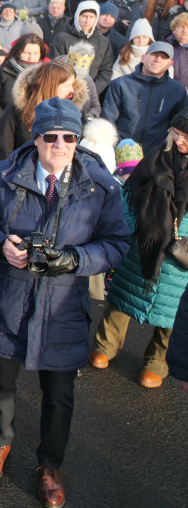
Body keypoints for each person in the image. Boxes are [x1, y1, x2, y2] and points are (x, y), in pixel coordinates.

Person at [0, 98, 130, 507]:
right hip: (9, 296)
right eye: (50, 136)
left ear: (78, 139)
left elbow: (117, 244)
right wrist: (1, 245)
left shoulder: (101, 185)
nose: (59, 144)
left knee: (59, 395)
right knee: (1, 380)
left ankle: (50, 464)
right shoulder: (2, 175)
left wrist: (76, 260)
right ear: (35, 138)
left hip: (63, 306)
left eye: (68, 136)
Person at [89, 115, 188, 388]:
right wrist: (131, 230)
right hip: (143, 240)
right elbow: (129, 196)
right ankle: (105, 345)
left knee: (174, 310)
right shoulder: (157, 157)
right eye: (176, 133)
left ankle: (157, 362)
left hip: (181, 253)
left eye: (186, 137)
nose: (179, 140)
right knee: (123, 294)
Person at [0, 61, 84, 164]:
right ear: (52, 86)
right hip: (20, 174)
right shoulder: (18, 110)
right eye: (67, 85)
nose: (72, 90)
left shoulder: (72, 114)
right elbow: (2, 150)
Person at [102, 41, 188, 152]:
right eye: (154, 55)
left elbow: (180, 127)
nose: (158, 60)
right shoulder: (120, 84)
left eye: (164, 57)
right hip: (123, 151)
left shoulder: (177, 90)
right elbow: (108, 120)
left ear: (170, 64)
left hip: (158, 155)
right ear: (143, 58)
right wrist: (115, 148)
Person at [0, 34, 49, 130]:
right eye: (27, 53)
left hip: (36, 129)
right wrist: (9, 124)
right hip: (4, 129)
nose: (31, 58)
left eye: (35, 54)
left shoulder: (45, 74)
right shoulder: (2, 72)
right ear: (18, 52)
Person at [50, 0, 114, 98]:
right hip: (65, 94)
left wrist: (91, 91)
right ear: (77, 16)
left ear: (96, 19)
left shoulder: (104, 42)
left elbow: (106, 71)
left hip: (91, 95)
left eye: (91, 17)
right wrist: (68, 90)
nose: (87, 21)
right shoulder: (62, 38)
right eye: (84, 16)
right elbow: (55, 65)